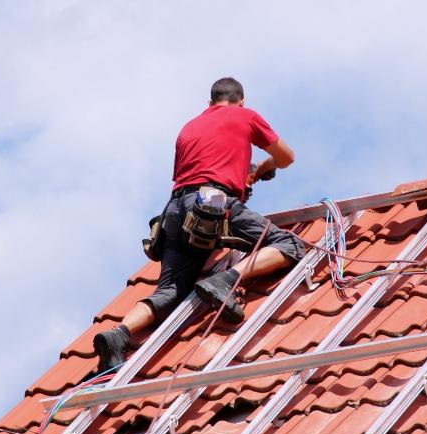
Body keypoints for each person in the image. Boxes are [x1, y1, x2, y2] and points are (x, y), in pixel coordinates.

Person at [93, 77, 305, 372]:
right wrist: (265, 167)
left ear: (210, 103)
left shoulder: (189, 127)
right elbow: (286, 157)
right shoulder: (246, 115)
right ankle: (225, 280)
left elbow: (205, 168)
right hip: (212, 201)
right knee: (289, 244)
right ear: (241, 101)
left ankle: (119, 335)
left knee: (171, 291)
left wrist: (246, 174)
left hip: (175, 210)